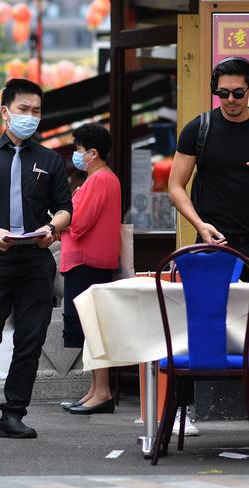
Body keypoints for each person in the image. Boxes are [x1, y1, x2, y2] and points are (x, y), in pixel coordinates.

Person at [0, 78, 73, 438]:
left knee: (30, 339)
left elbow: (65, 208)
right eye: (24, 110)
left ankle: (13, 413)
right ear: (6, 112)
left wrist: (52, 230)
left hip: (35, 259)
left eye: (36, 111)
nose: (30, 117)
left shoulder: (50, 160)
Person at [167, 56, 249, 436]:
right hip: (214, 244)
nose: (229, 100)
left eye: (237, 93)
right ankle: (184, 408)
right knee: (203, 322)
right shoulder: (199, 128)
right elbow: (175, 186)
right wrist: (200, 225)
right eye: (222, 93)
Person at [58, 123, 121, 415]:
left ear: (93, 153)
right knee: (90, 329)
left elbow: (78, 223)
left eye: (79, 150)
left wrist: (59, 222)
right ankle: (96, 390)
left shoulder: (100, 180)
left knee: (94, 329)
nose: (76, 155)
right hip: (86, 263)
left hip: (88, 263)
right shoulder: (100, 179)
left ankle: (103, 392)